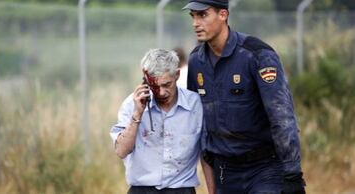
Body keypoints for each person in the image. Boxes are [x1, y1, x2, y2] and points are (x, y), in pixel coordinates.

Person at [182, 0, 306, 194]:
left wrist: (292, 173)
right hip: (225, 171)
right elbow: (199, 125)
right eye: (193, 16)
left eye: (203, 15)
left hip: (265, 168)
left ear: (223, 15)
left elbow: (281, 116)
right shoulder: (196, 61)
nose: (195, 23)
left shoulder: (257, 54)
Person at [110, 48, 204, 194]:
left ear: (177, 75)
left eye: (166, 85)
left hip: (181, 189)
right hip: (142, 189)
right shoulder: (131, 104)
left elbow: (207, 153)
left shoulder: (195, 105)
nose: (161, 92)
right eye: (155, 86)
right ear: (145, 79)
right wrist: (137, 114)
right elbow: (121, 151)